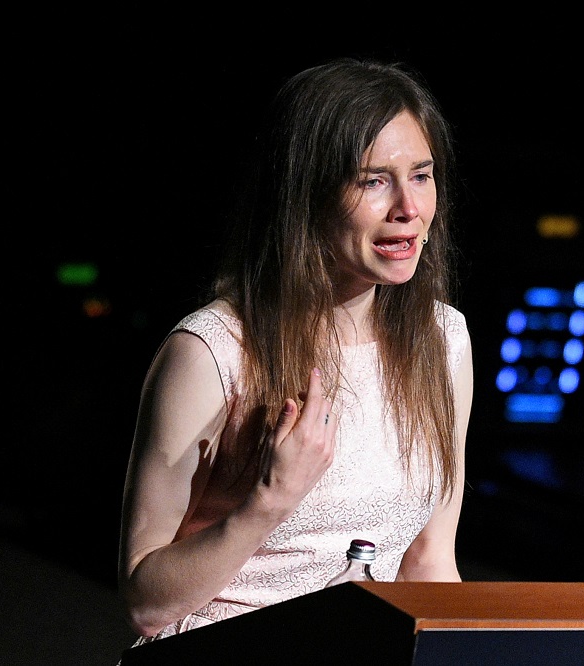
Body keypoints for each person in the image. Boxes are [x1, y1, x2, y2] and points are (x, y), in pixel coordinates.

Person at [116, 57, 474, 651]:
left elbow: (430, 562)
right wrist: (270, 500)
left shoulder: (442, 341)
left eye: (421, 175)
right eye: (373, 181)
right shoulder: (213, 352)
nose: (408, 208)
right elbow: (146, 604)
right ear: (306, 194)